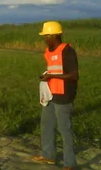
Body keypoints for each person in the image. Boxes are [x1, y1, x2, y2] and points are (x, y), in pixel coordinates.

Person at [32, 21, 79, 170]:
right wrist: (48, 76)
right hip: (51, 94)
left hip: (64, 95)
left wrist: (52, 76)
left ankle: (69, 164)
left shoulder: (67, 51)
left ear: (54, 35)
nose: (44, 38)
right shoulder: (48, 51)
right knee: (46, 125)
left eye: (46, 36)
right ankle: (48, 155)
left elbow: (74, 75)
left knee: (64, 129)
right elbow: (55, 70)